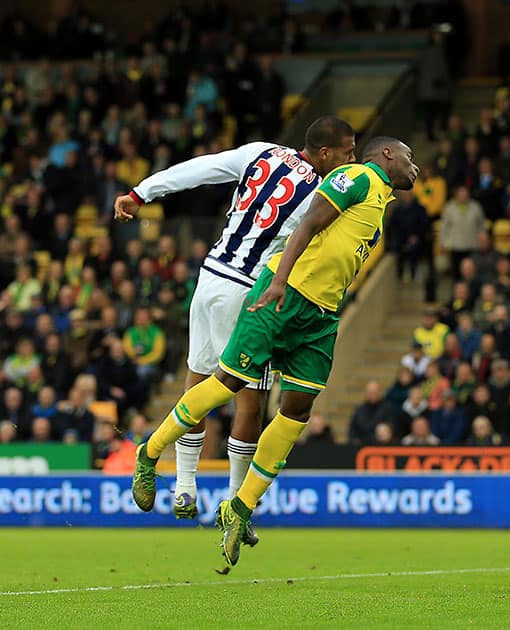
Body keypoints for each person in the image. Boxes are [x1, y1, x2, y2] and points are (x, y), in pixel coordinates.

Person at [130, 136, 418, 567]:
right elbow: (307, 225)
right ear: (389, 155)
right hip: (284, 295)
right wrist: (280, 279)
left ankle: (239, 507)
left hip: (321, 315)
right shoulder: (356, 177)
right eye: (410, 158)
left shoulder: (380, 200)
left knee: (297, 410)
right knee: (230, 382)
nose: (416, 167)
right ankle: (150, 452)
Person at [115, 116, 356, 524]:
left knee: (198, 379)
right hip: (250, 291)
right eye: (348, 152)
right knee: (249, 397)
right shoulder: (324, 192)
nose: (352, 160)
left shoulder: (259, 152)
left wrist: (142, 193)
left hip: (209, 278)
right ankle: (237, 505)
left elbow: (199, 169)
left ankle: (184, 488)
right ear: (325, 153)